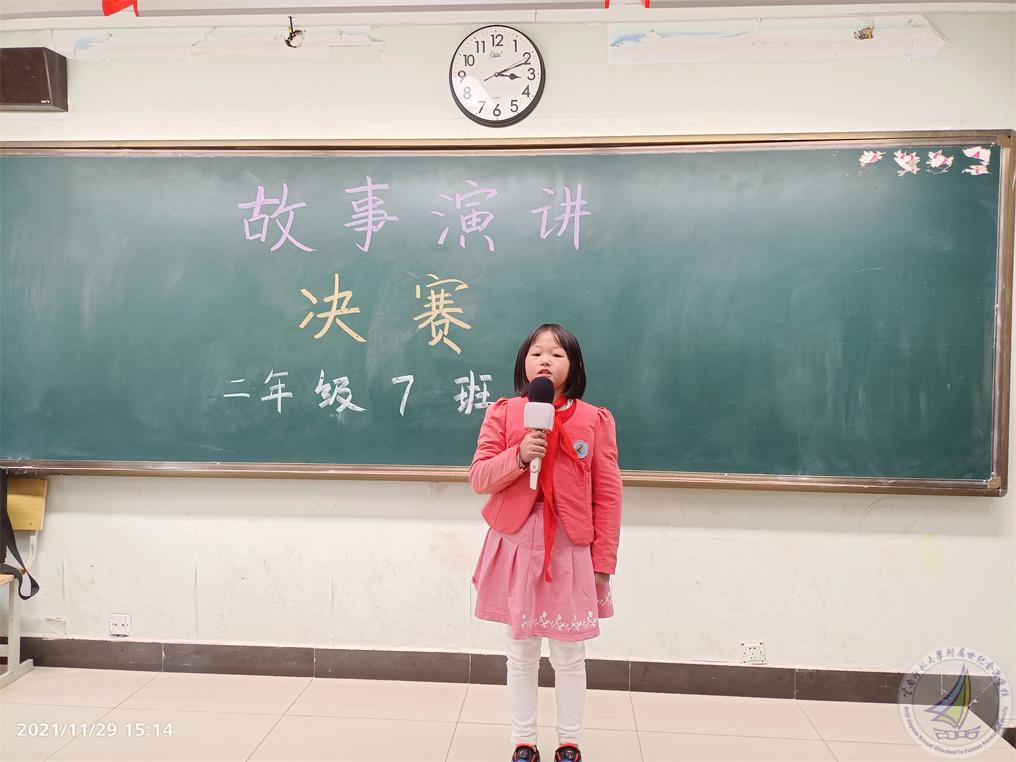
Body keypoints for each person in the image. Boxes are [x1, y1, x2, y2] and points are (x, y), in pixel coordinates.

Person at [470, 323, 623, 762]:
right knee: (520, 650)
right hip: (515, 543)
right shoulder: (504, 413)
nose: (544, 361)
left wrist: (603, 561)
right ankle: (524, 740)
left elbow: (608, 494)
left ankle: (569, 741)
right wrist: (520, 455)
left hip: (570, 548)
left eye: (557, 354)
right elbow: (480, 478)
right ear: (524, 362)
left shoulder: (594, 420)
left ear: (573, 367)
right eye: (536, 353)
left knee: (569, 653)